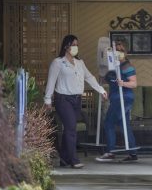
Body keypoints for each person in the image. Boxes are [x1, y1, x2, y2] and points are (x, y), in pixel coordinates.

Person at [44, 34, 107, 169]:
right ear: (66, 46)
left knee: (69, 129)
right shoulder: (58, 62)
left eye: (77, 45)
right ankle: (74, 159)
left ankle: (64, 159)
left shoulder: (80, 63)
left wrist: (101, 90)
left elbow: (89, 77)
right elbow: (51, 81)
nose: (76, 47)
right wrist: (47, 100)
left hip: (76, 100)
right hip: (63, 99)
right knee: (71, 127)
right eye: (73, 44)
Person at [95, 38, 138, 163]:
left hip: (124, 98)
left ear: (126, 52)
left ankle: (110, 152)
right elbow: (105, 80)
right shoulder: (111, 66)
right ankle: (133, 153)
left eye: (121, 50)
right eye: (117, 50)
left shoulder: (127, 66)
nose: (119, 52)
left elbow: (134, 84)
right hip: (115, 98)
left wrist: (123, 83)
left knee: (109, 123)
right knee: (124, 125)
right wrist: (101, 79)